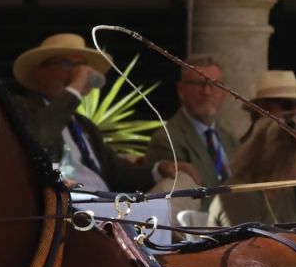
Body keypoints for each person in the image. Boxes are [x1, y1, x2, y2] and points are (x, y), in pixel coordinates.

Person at [10, 33, 186, 196]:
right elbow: (42, 139)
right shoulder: (23, 109)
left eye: (81, 67)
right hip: (65, 207)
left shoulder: (84, 125)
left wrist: (159, 169)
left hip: (105, 208)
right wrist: (75, 86)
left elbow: (116, 174)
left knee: (173, 196)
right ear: (41, 74)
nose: (76, 73)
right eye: (66, 64)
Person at [160, 54, 240, 190]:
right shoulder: (167, 139)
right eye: (199, 84)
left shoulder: (230, 140)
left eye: (215, 84)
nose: (207, 92)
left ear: (224, 92)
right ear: (181, 90)